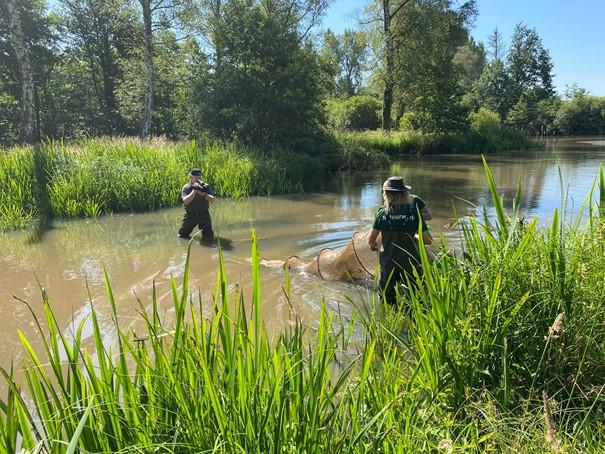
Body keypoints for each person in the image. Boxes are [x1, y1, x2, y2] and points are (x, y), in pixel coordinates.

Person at [367, 176, 433, 306]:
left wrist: (373, 246)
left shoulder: (381, 213)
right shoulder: (414, 213)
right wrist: (416, 237)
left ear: (386, 194)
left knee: (386, 297)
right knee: (415, 296)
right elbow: (428, 240)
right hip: (410, 261)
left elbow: (370, 240)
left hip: (388, 262)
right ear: (405, 193)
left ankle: (388, 320)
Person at [178, 168, 216, 240]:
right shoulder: (186, 188)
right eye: (196, 177)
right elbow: (185, 201)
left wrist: (203, 194)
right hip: (190, 215)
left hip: (204, 215)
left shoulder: (204, 186)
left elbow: (213, 200)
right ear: (191, 177)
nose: (198, 179)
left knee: (209, 236)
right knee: (182, 235)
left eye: (199, 177)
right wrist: (194, 191)